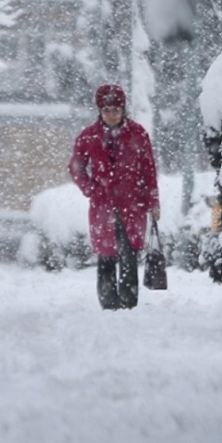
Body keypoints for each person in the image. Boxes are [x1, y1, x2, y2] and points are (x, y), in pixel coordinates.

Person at [69, 84, 160, 310]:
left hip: (133, 204)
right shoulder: (88, 136)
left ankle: (128, 301)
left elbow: (149, 170)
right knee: (106, 254)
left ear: (123, 110)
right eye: (107, 110)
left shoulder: (138, 134)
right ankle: (108, 303)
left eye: (116, 110)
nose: (112, 115)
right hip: (102, 206)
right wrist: (91, 189)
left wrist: (153, 201)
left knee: (129, 254)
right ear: (100, 111)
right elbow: (76, 167)